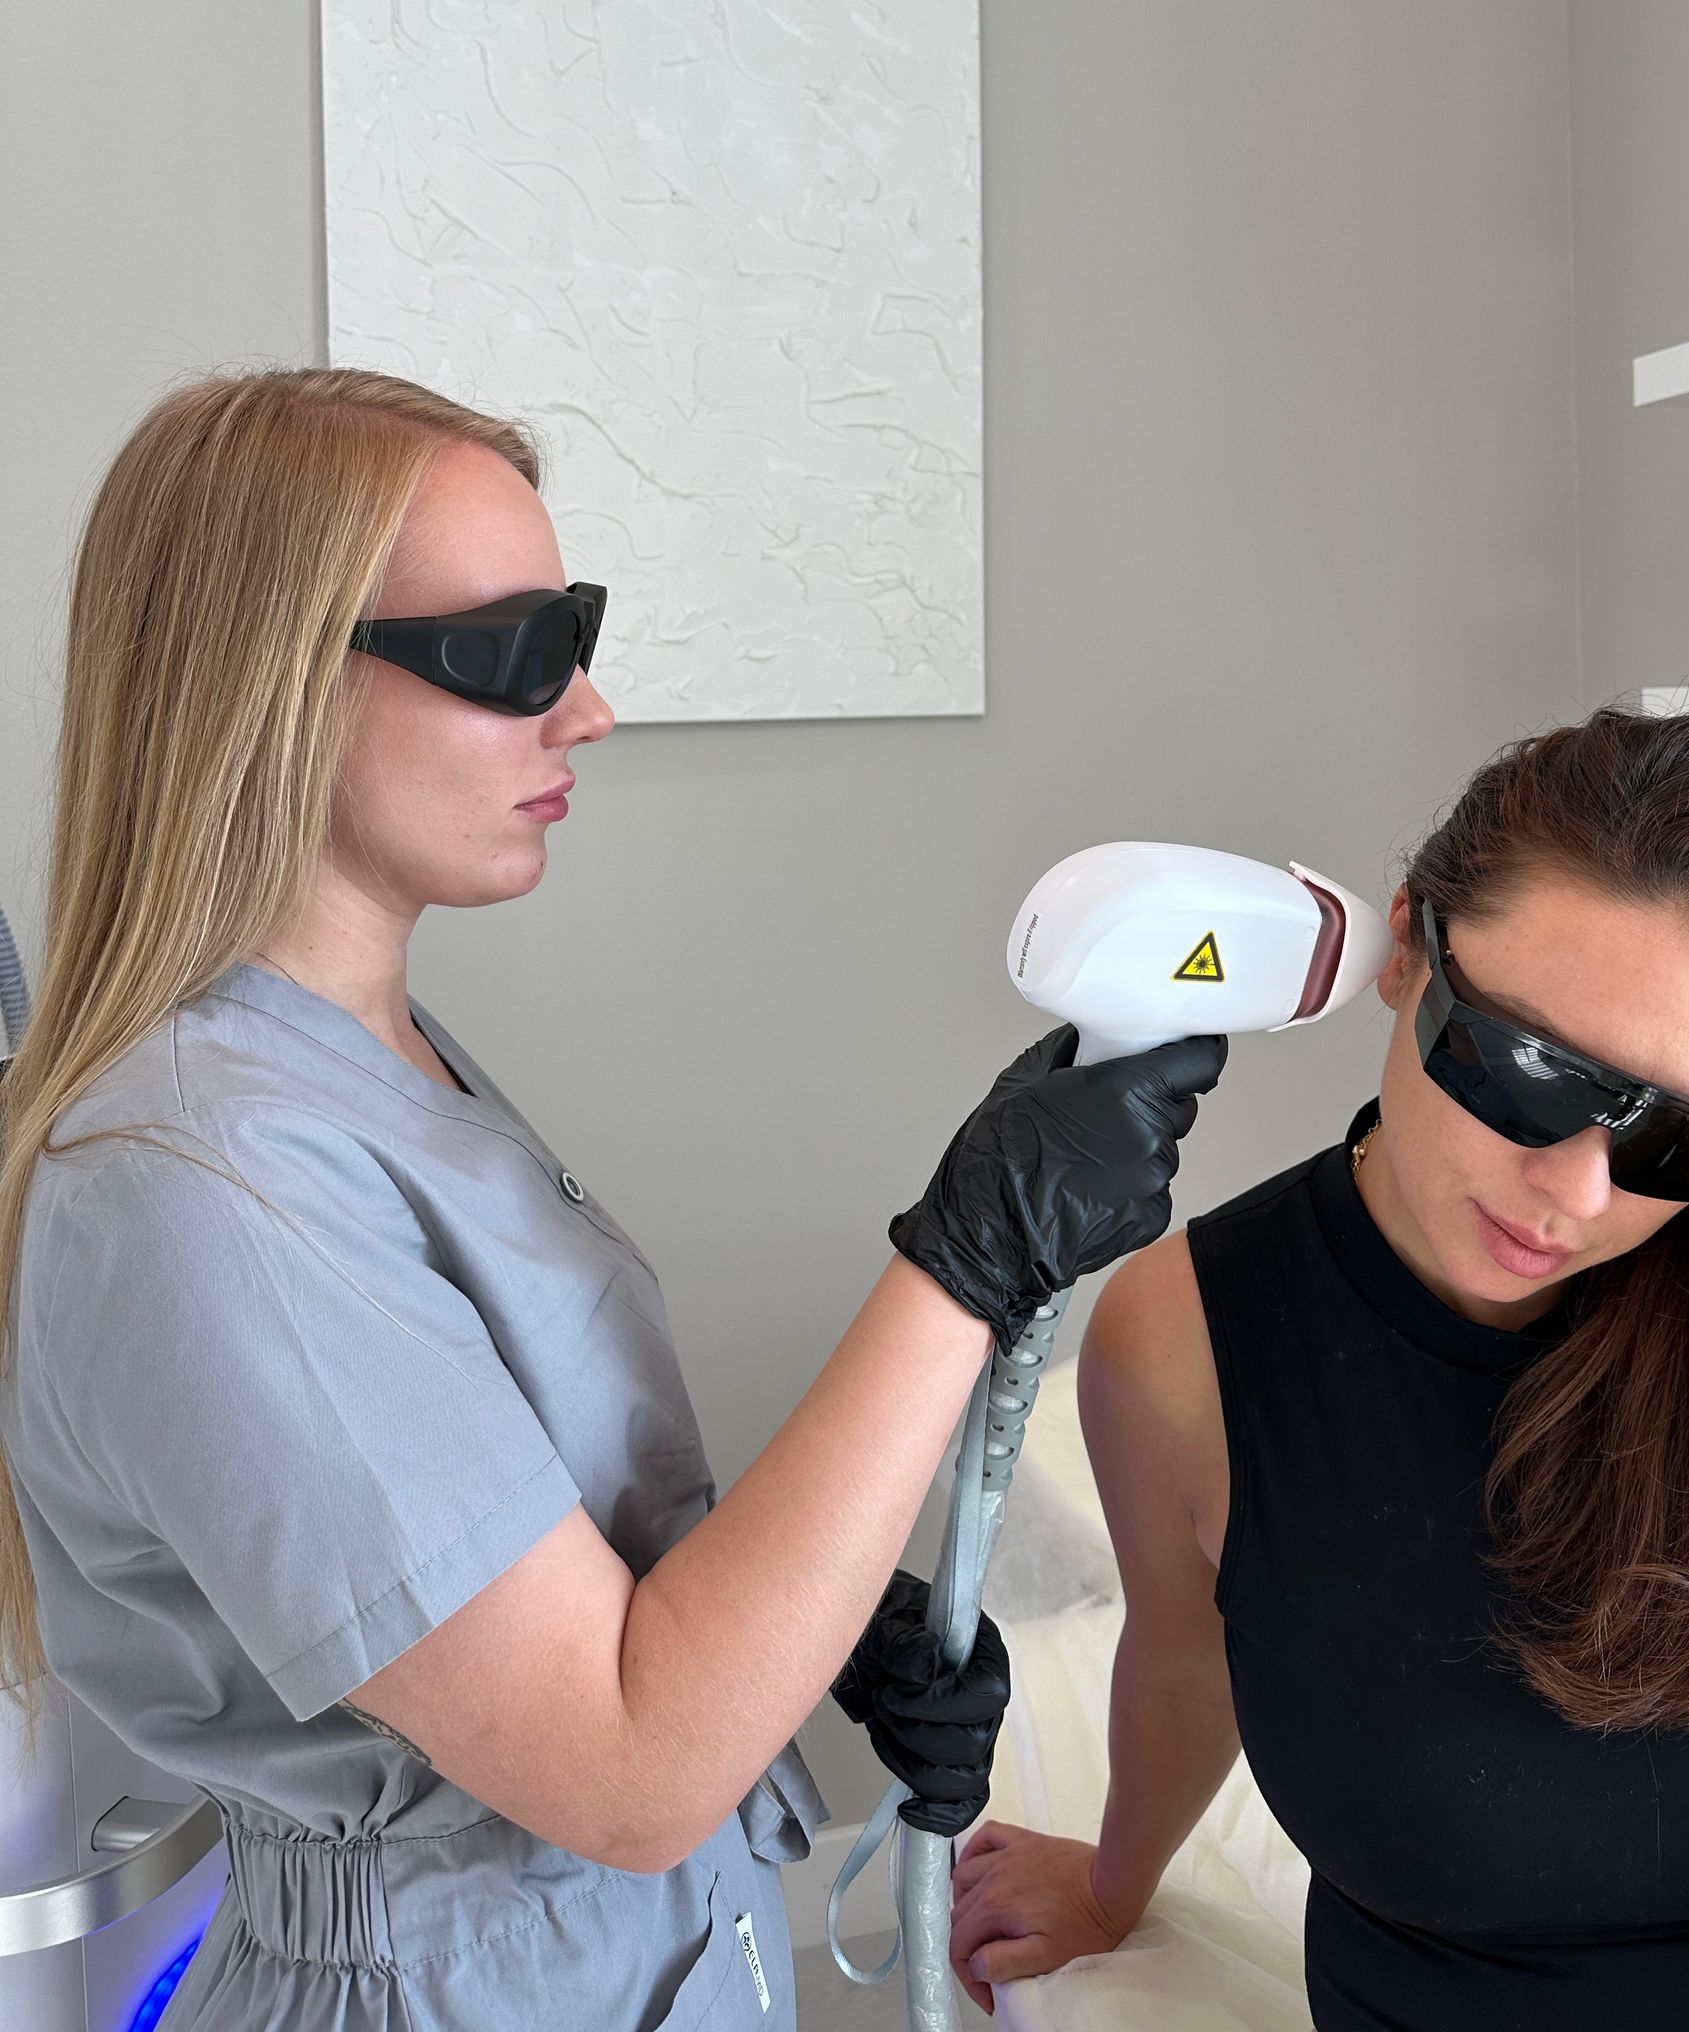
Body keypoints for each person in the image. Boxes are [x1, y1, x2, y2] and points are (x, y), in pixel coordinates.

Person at [0, 365, 1224, 2032]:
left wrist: (806, 1615)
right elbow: (631, 1767)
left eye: (576, 631)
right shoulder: (193, 1186)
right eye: (515, 654)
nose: (587, 710)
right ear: (270, 683)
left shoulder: (372, 1060)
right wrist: (965, 1263)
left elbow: (517, 1527)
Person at [949, 705, 1689, 2030]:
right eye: (1524, 1071)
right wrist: (1118, 1884)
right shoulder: (1186, 1341)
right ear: (1406, 948)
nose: (1575, 1191)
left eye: (1680, 1142)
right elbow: (1189, 1666)